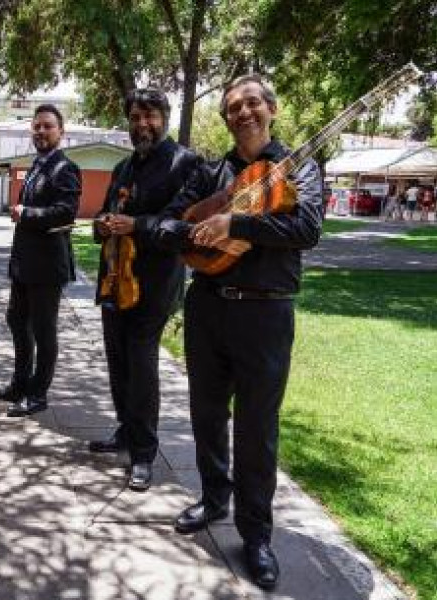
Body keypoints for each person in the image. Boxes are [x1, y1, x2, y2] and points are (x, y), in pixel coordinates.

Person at [153, 74, 322, 590]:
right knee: (206, 414)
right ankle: (213, 498)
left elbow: (307, 228)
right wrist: (197, 228)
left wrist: (238, 226)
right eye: (233, 108)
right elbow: (166, 225)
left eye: (252, 103)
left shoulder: (298, 166)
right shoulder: (212, 172)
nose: (243, 113)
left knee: (256, 430)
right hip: (208, 308)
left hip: (266, 315)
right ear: (226, 118)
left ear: (271, 109)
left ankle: (256, 536)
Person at [88, 88, 201, 491]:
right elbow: (104, 215)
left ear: (165, 117)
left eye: (150, 116)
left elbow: (180, 226)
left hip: (153, 284)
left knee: (141, 368)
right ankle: (126, 428)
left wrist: (134, 225)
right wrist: (102, 224)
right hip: (114, 278)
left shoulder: (184, 163)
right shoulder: (122, 167)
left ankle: (143, 453)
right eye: (136, 117)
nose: (142, 124)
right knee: (118, 362)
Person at [0, 104, 81, 417]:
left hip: (47, 266)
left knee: (44, 330)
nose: (41, 131)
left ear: (61, 132)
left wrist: (26, 213)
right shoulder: (37, 166)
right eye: (37, 126)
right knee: (17, 321)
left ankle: (38, 394)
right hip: (24, 264)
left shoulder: (64, 168)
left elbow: (66, 212)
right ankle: (20, 384)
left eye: (48, 126)